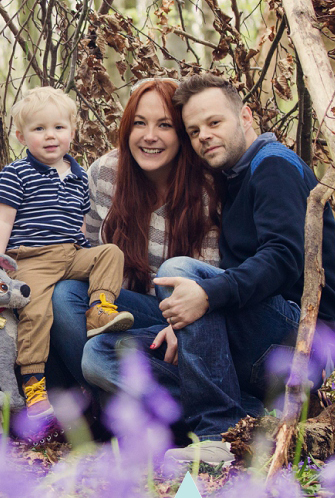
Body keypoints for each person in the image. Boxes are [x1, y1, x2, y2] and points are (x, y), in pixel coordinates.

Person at [82, 72, 335, 470]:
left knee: (179, 271)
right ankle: (249, 422)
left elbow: (283, 258)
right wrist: (188, 317)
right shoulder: (232, 178)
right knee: (100, 354)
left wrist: (206, 295)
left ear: (245, 117)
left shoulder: (273, 166)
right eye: (193, 130)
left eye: (214, 122)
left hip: (305, 341)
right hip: (249, 341)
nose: (204, 135)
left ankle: (215, 435)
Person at [47, 77, 219, 407]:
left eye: (164, 125)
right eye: (139, 123)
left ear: (182, 133)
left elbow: (210, 277)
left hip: (181, 318)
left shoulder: (207, 187)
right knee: (64, 295)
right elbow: (86, 254)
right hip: (117, 311)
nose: (149, 136)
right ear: (127, 128)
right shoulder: (106, 173)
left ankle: (170, 411)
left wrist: (182, 327)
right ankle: (108, 408)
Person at [0, 86, 135, 423]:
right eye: (39, 129)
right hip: (32, 259)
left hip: (71, 253)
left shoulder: (81, 176)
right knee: (36, 315)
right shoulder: (16, 174)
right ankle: (35, 386)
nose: (50, 136)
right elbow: (2, 221)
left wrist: (86, 252)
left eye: (58, 128)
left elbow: (83, 226)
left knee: (110, 253)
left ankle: (100, 308)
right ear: (21, 136)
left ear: (72, 131)